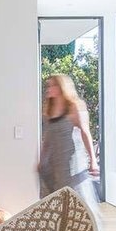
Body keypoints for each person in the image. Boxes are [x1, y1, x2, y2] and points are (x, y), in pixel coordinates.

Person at [39, 74, 100, 207]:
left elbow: (85, 132)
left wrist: (93, 160)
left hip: (71, 161)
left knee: (74, 197)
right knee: (55, 198)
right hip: (53, 162)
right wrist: (42, 159)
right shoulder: (49, 110)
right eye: (48, 85)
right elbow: (47, 139)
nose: (48, 88)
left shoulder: (74, 107)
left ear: (61, 87)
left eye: (52, 85)